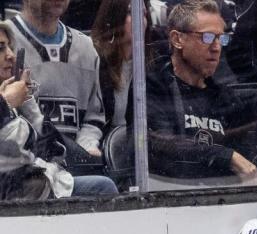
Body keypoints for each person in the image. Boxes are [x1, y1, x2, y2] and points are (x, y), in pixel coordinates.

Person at [145, 0, 257, 183]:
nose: (216, 47)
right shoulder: (152, 87)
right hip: (170, 195)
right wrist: (226, 157)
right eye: (207, 37)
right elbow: (160, 146)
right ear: (177, 39)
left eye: (221, 38)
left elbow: (248, 154)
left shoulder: (224, 97)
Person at [0, 21, 118, 199]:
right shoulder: (6, 101)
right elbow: (20, 152)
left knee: (103, 184)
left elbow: (52, 147)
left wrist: (26, 102)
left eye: (9, 47)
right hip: (17, 196)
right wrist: (7, 103)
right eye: (1, 48)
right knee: (102, 188)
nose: (10, 55)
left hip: (37, 188)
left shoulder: (11, 97)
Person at [9, 0, 107, 175]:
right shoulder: (5, 44)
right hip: (22, 169)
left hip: (71, 167)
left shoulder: (86, 48)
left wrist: (86, 147)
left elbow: (93, 119)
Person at [91, 0, 155, 129]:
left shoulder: (152, 65)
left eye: (143, 14)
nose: (140, 20)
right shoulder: (94, 58)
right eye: (131, 13)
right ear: (113, 17)